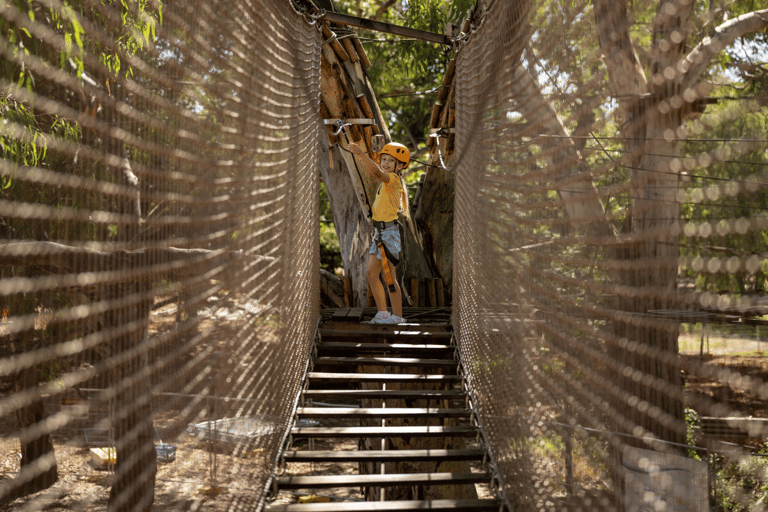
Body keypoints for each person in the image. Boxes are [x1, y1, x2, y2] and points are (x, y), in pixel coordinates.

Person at [348, 141, 410, 324]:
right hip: (379, 233)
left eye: (391, 161)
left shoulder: (393, 180)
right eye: (384, 159)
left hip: (389, 232)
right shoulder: (386, 183)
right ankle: (383, 313)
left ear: (400, 165)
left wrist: (361, 153)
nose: (386, 163)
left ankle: (397, 316)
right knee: (371, 273)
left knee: (389, 276)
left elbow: (375, 172)